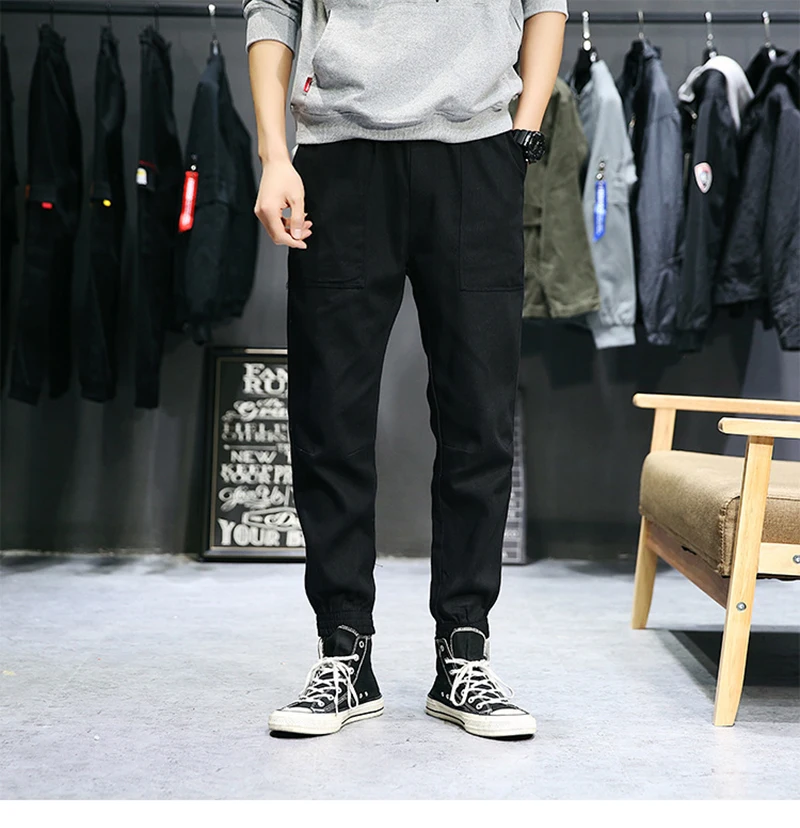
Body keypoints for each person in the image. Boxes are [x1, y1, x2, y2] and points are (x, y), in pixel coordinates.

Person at [243, 0, 568, 739]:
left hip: (477, 152)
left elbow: (546, 5)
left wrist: (523, 128)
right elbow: (272, 8)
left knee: (479, 414)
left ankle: (464, 652)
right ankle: (344, 651)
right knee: (330, 416)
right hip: (341, 152)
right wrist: (274, 155)